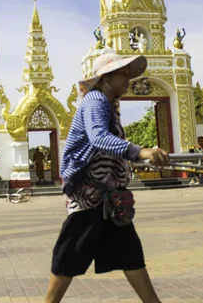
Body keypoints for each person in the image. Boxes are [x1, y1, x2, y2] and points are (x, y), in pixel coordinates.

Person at [45, 53, 169, 303]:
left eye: (128, 74)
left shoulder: (109, 105)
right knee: (70, 254)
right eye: (123, 74)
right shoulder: (95, 100)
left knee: (129, 252)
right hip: (89, 194)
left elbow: (111, 145)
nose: (128, 80)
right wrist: (141, 151)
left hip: (110, 195)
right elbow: (99, 138)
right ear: (105, 77)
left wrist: (141, 155)